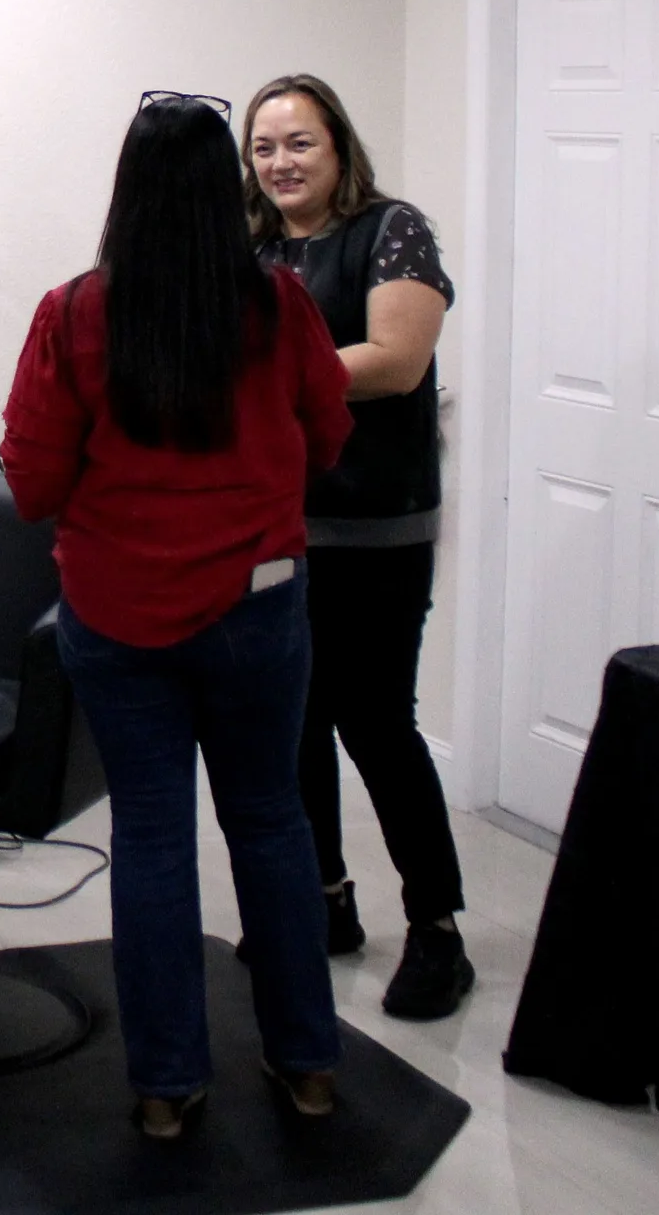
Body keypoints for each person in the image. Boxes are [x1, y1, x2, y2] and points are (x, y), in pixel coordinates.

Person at [1, 93, 352, 1138]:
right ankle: (308, 1064)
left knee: (153, 837)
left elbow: (31, 481)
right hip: (259, 604)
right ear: (224, 191)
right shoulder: (280, 306)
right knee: (272, 822)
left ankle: (166, 1087)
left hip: (118, 613)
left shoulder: (74, 313)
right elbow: (329, 435)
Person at [243, 73, 474, 1022]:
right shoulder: (251, 248)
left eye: (299, 143)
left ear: (339, 147)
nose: (281, 163)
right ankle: (323, 901)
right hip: (278, 524)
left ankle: (437, 930)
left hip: (377, 524)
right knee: (294, 723)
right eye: (264, 148)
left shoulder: (392, 230)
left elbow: (396, 361)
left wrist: (264, 373)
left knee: (376, 724)